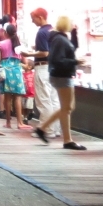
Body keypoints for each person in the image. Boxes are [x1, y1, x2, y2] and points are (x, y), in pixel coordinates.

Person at [34, 15, 86, 150]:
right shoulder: (59, 39)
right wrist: (75, 62)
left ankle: (44, 129)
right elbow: (57, 59)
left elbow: (73, 48)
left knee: (67, 107)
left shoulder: (60, 38)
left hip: (62, 75)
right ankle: (66, 139)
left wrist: (74, 33)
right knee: (67, 108)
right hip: (62, 76)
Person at [24, 8, 62, 137]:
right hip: (53, 68)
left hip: (42, 67)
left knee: (43, 100)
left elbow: (44, 52)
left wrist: (29, 53)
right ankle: (55, 129)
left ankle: (46, 130)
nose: (32, 21)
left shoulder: (41, 32)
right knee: (54, 100)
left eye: (33, 18)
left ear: (40, 17)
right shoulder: (53, 31)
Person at [0, 23, 30, 129]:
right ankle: (20, 123)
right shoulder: (18, 45)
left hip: (5, 71)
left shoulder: (1, 44)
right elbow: (23, 59)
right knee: (17, 97)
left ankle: (8, 122)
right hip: (16, 70)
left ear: (6, 33)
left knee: (7, 97)